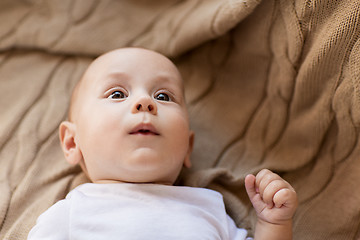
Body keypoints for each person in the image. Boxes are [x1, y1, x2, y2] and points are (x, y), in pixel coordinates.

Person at [27, 47, 298, 240]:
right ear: (73, 142)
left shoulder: (208, 208)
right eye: (118, 93)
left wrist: (273, 224)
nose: (145, 102)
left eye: (164, 96)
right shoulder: (71, 213)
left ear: (187, 148)